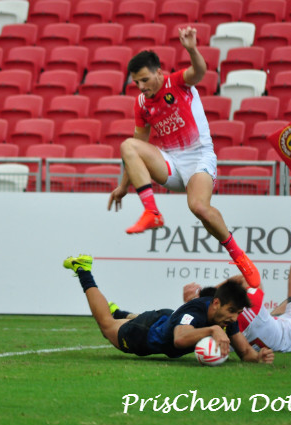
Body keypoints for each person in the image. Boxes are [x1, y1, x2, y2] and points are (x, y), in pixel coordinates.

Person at [107, 27, 260, 288]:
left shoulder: (177, 82)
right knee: (128, 145)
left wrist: (191, 49)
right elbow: (137, 146)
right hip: (171, 162)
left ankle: (240, 257)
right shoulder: (141, 103)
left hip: (199, 157)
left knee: (199, 208)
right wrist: (123, 187)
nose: (141, 87)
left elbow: (199, 71)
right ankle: (152, 211)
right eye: (136, 83)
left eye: (145, 80)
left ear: (158, 72)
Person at [181, 198, 291, 353]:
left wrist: (193, 302)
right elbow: (246, 279)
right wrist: (210, 291)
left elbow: (188, 326)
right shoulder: (247, 308)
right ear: (217, 302)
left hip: (276, 326)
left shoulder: (211, 328)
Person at [62, 254, 274, 364]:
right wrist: (212, 330)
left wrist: (258, 357)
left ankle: (120, 313)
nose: (234, 318)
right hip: (144, 334)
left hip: (164, 319)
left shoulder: (225, 317)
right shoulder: (196, 312)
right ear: (217, 303)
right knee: (106, 325)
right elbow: (179, 339)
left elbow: (245, 352)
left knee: (162, 321)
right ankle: (83, 269)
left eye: (237, 313)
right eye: (232, 311)